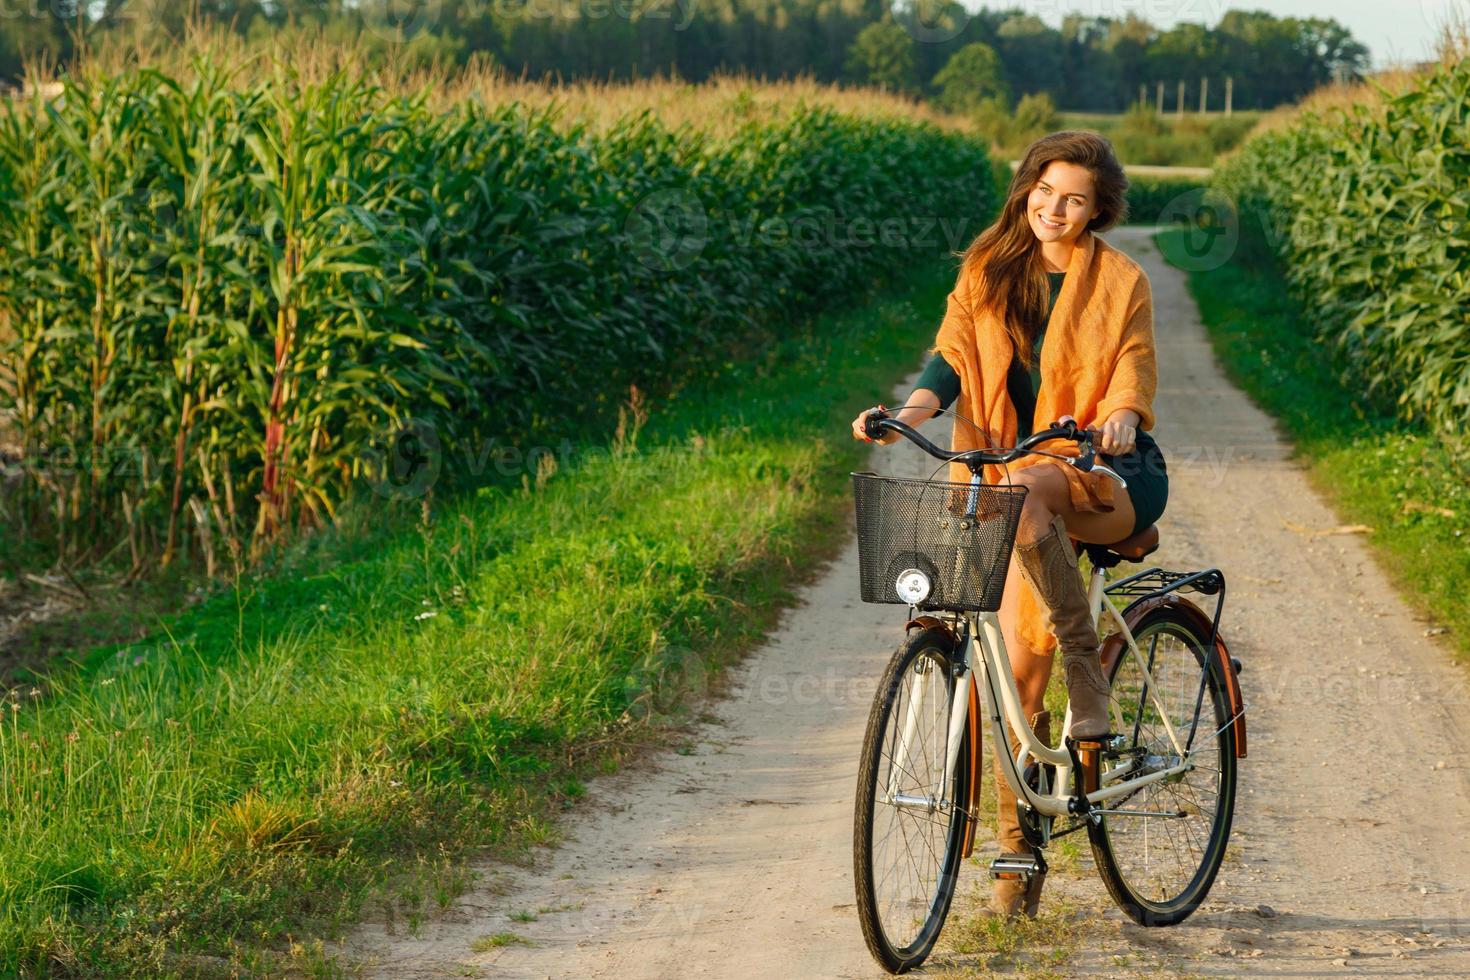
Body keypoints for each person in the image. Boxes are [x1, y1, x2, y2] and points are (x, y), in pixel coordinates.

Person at [848, 130, 1169, 919]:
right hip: (1002, 476)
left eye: (1076, 200)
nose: (1055, 209)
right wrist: (907, 414)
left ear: (1099, 210)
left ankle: (1085, 672)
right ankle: (1015, 846)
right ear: (1026, 186)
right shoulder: (989, 268)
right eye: (1045, 191)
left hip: (1104, 469)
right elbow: (951, 359)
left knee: (1025, 519)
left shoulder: (1120, 279)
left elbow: (1130, 362)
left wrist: (1124, 413)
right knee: (1003, 670)